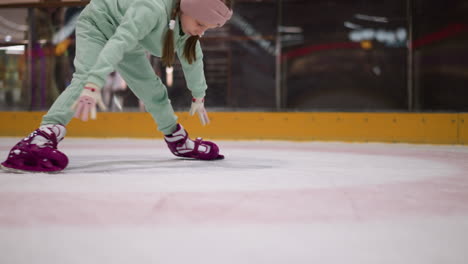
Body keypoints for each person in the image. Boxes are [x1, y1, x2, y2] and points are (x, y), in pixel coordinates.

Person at [1, 0, 233, 173]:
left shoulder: (184, 28)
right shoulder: (151, 8)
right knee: (84, 79)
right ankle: (40, 139)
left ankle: (177, 140)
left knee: (153, 90)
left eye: (207, 28)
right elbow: (119, 42)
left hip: (127, 40)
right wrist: (94, 82)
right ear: (187, 8)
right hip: (99, 26)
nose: (201, 31)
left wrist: (198, 96)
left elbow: (193, 58)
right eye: (201, 24)